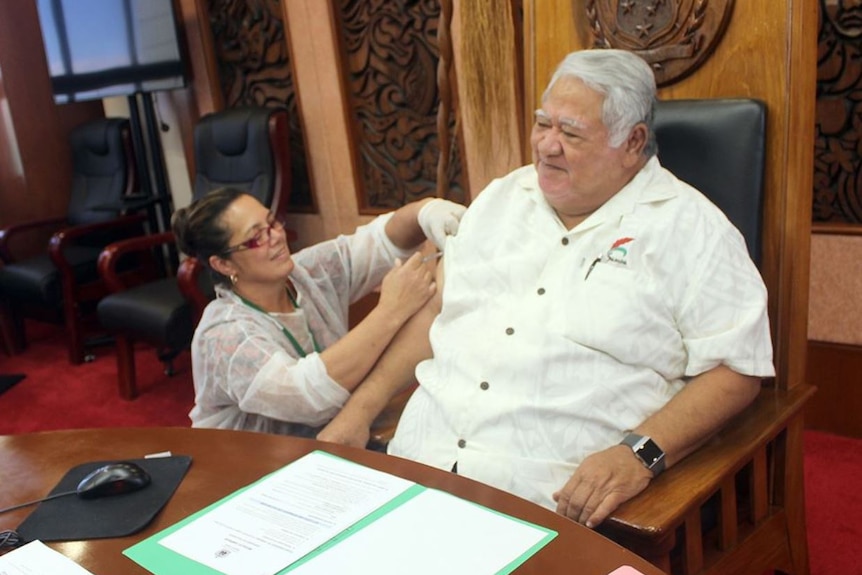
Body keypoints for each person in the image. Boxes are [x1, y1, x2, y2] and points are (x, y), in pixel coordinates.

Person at [318, 48, 775, 528]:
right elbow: (438, 313)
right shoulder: (500, 200)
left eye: (571, 132)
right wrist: (360, 410)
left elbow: (736, 370)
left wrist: (639, 455)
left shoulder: (692, 229)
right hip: (418, 464)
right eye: (543, 124)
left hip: (548, 499)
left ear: (634, 142)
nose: (546, 146)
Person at [171, 187, 465, 437]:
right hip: (248, 469)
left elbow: (382, 240)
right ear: (224, 264)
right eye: (256, 237)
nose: (276, 236)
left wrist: (425, 211)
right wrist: (391, 310)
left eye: (273, 222)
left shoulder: (306, 273)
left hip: (322, 445)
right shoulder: (224, 336)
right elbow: (304, 398)